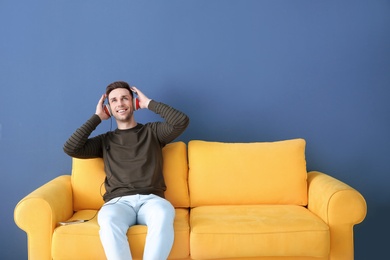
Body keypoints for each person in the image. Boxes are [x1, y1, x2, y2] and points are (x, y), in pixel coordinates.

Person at [63, 81, 189, 260]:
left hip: (152, 201)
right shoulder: (104, 140)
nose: (120, 104)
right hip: (118, 203)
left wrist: (148, 103)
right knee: (107, 219)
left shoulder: (152, 132)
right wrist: (97, 117)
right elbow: (71, 148)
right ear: (109, 108)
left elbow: (181, 122)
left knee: (164, 213)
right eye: (114, 100)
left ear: (134, 103)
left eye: (124, 98)